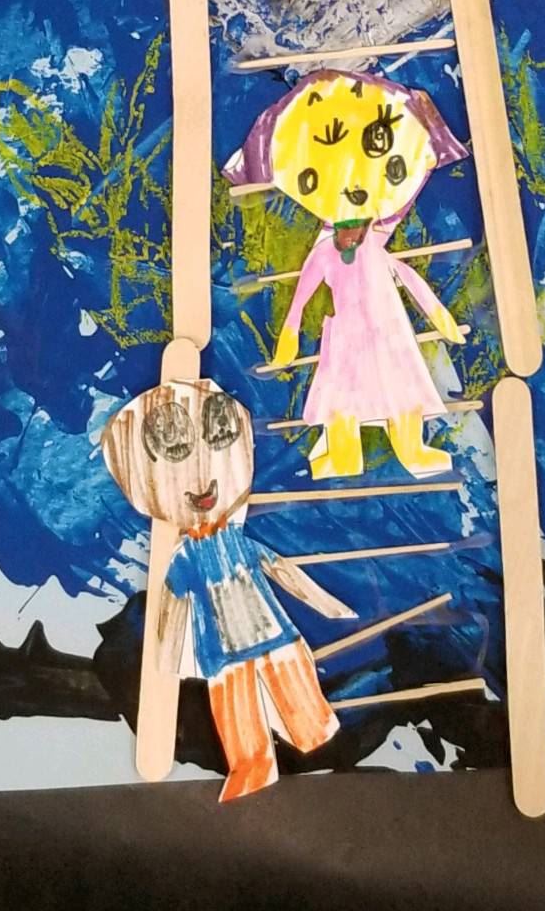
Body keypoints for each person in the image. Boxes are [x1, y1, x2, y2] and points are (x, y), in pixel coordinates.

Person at [101, 375, 354, 801]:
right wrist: (168, 662)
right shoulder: (184, 559)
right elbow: (175, 608)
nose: (201, 478)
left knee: (298, 691)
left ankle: (313, 731)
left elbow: (279, 569)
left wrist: (325, 604)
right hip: (221, 652)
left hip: (274, 632)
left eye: (218, 439)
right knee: (237, 712)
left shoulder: (238, 542)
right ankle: (252, 765)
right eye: (176, 457)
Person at [224, 70, 470, 479]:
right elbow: (302, 298)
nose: (352, 188)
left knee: (401, 390)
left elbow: (407, 278)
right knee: (342, 398)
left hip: (389, 333)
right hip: (347, 336)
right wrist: (288, 339)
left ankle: (410, 450)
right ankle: (344, 454)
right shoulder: (325, 253)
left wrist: (442, 319)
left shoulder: (372, 246)